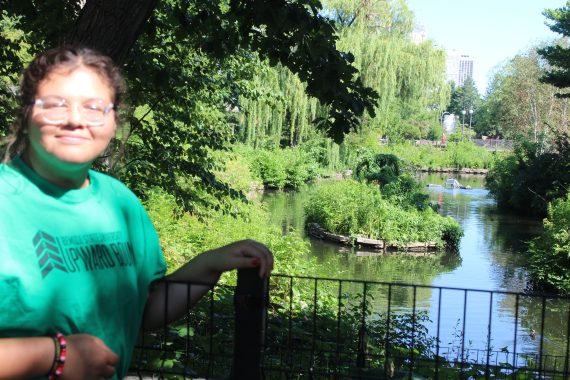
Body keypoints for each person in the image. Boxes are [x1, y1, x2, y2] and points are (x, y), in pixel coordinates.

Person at [0, 45, 273, 379]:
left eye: (94, 107)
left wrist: (208, 265)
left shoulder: (120, 202)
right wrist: (54, 356)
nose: (74, 119)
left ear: (114, 121)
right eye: (56, 104)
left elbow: (143, 312)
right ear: (27, 114)